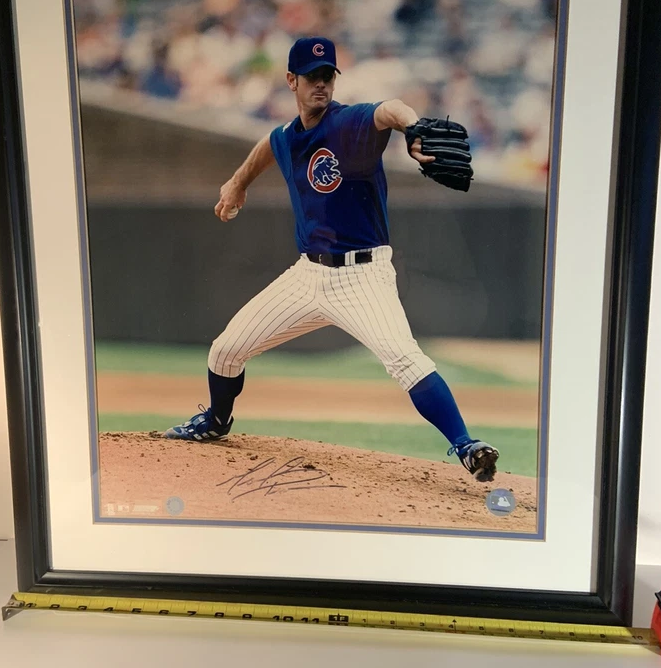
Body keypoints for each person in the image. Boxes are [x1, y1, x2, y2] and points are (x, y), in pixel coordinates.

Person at [164, 37, 498, 483]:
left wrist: (414, 127)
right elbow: (270, 143)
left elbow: (391, 109)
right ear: (291, 81)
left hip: (364, 277)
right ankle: (217, 421)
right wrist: (237, 182)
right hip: (307, 276)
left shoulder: (350, 125)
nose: (321, 85)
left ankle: (466, 446)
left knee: (405, 359)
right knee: (225, 351)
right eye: (311, 77)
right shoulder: (287, 137)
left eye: (327, 76)